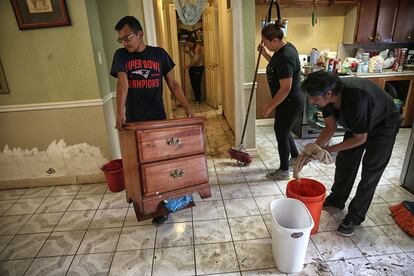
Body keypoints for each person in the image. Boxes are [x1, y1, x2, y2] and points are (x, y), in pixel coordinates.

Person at [110, 16, 193, 224]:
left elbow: (173, 84)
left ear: (140, 34)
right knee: (140, 168)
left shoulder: (159, 54)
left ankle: (162, 208)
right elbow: (123, 84)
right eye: (120, 39)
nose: (124, 42)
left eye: (127, 37)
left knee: (160, 167)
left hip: (158, 120)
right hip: (135, 123)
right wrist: (120, 114)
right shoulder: (121, 56)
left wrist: (188, 108)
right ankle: (146, 204)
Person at [301, 71, 401, 236]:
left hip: (384, 125)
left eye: (315, 98)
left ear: (329, 94)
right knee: (345, 162)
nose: (312, 102)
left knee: (370, 172)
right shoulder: (325, 98)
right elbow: (330, 127)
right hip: (357, 124)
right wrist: (314, 149)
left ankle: (355, 216)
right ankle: (337, 199)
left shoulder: (355, 101)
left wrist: (329, 150)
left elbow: (360, 139)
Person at [258, 22, 305, 180]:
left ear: (275, 40)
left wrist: (269, 107)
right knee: (285, 130)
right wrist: (264, 53)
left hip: (290, 101)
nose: (264, 44)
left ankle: (284, 170)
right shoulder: (284, 49)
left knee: (281, 133)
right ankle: (294, 156)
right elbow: (275, 65)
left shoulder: (285, 56)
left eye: (266, 42)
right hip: (289, 101)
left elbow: (285, 88)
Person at [184, 34, 204, 104]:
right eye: (187, 43)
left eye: (189, 43)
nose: (188, 45)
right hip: (192, 67)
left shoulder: (197, 48)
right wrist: (186, 51)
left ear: (193, 42)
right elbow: (191, 57)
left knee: (197, 84)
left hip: (198, 67)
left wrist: (187, 66)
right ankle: (196, 98)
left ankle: (198, 100)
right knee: (193, 83)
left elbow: (196, 61)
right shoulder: (190, 48)